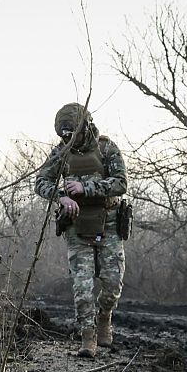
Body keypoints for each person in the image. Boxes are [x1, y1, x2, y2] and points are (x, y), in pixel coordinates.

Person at [34, 102, 130, 357]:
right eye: (63, 136)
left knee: (112, 284)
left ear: (84, 127)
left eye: (72, 134)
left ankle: (104, 318)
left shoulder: (107, 148)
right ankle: (88, 337)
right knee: (82, 287)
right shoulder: (61, 153)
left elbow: (121, 183)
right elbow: (41, 181)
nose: (68, 140)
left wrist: (86, 189)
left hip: (109, 223)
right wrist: (61, 196)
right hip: (77, 226)